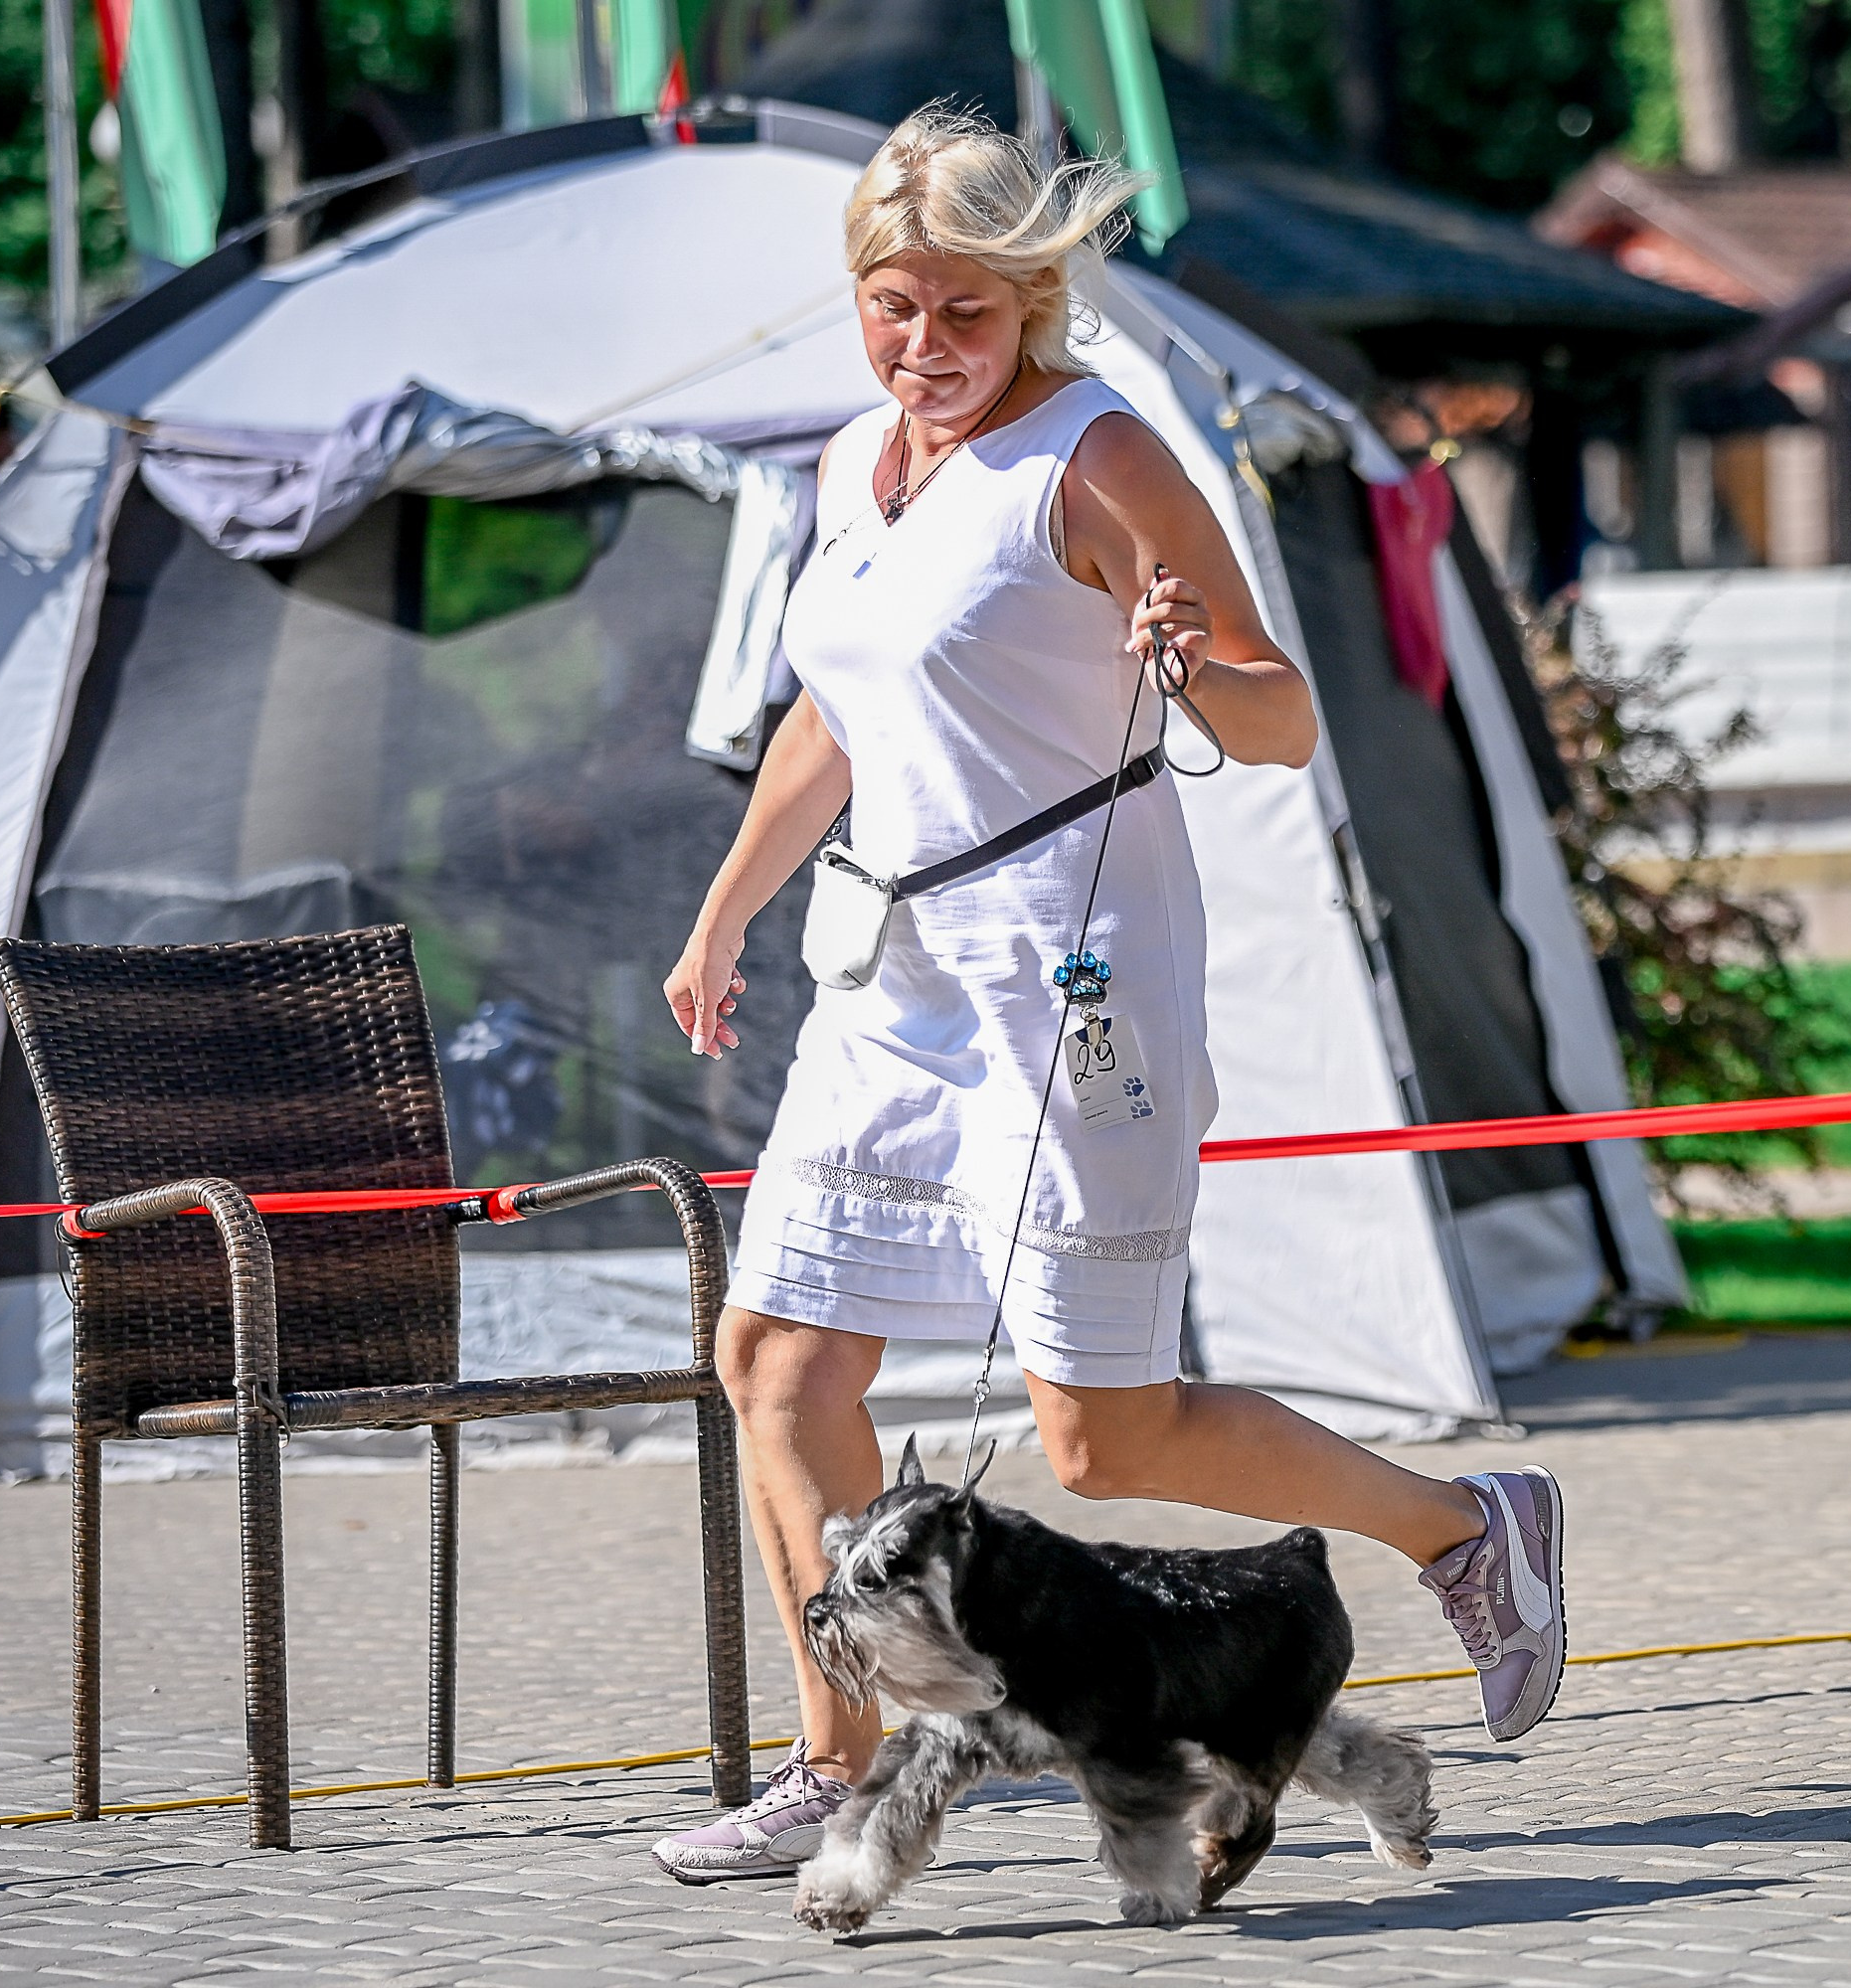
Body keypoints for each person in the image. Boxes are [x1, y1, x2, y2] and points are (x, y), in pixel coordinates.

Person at [649, 106, 1566, 1885]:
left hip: (1071, 987)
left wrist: (1197, 666)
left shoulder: (1100, 455)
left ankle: (1466, 1526)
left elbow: (1281, 722)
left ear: (1034, 300)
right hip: (889, 975)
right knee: (774, 1359)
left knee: (1100, 1438)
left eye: (965, 313)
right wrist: (724, 909)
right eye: (894, 306)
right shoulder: (856, 460)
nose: (926, 347)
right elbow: (839, 708)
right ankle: (837, 1765)